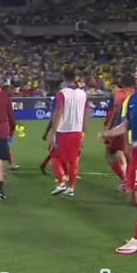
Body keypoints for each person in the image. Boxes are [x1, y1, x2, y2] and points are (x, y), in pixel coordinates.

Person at [100, 61, 137, 255]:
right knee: (135, 199)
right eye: (136, 71)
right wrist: (109, 133)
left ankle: (136, 241)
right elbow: (126, 124)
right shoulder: (133, 99)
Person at [49, 69, 90, 197]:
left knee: (55, 156)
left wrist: (53, 132)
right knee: (72, 161)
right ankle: (71, 188)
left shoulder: (62, 94)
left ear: (64, 78)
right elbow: (87, 113)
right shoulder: (83, 94)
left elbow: (58, 112)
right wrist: (84, 130)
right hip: (77, 131)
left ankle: (61, 182)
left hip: (63, 130)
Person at [103, 75, 135, 192]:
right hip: (136, 130)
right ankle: (131, 183)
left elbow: (115, 112)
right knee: (131, 157)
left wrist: (108, 129)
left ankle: (126, 181)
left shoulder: (120, 94)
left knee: (110, 154)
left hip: (120, 129)